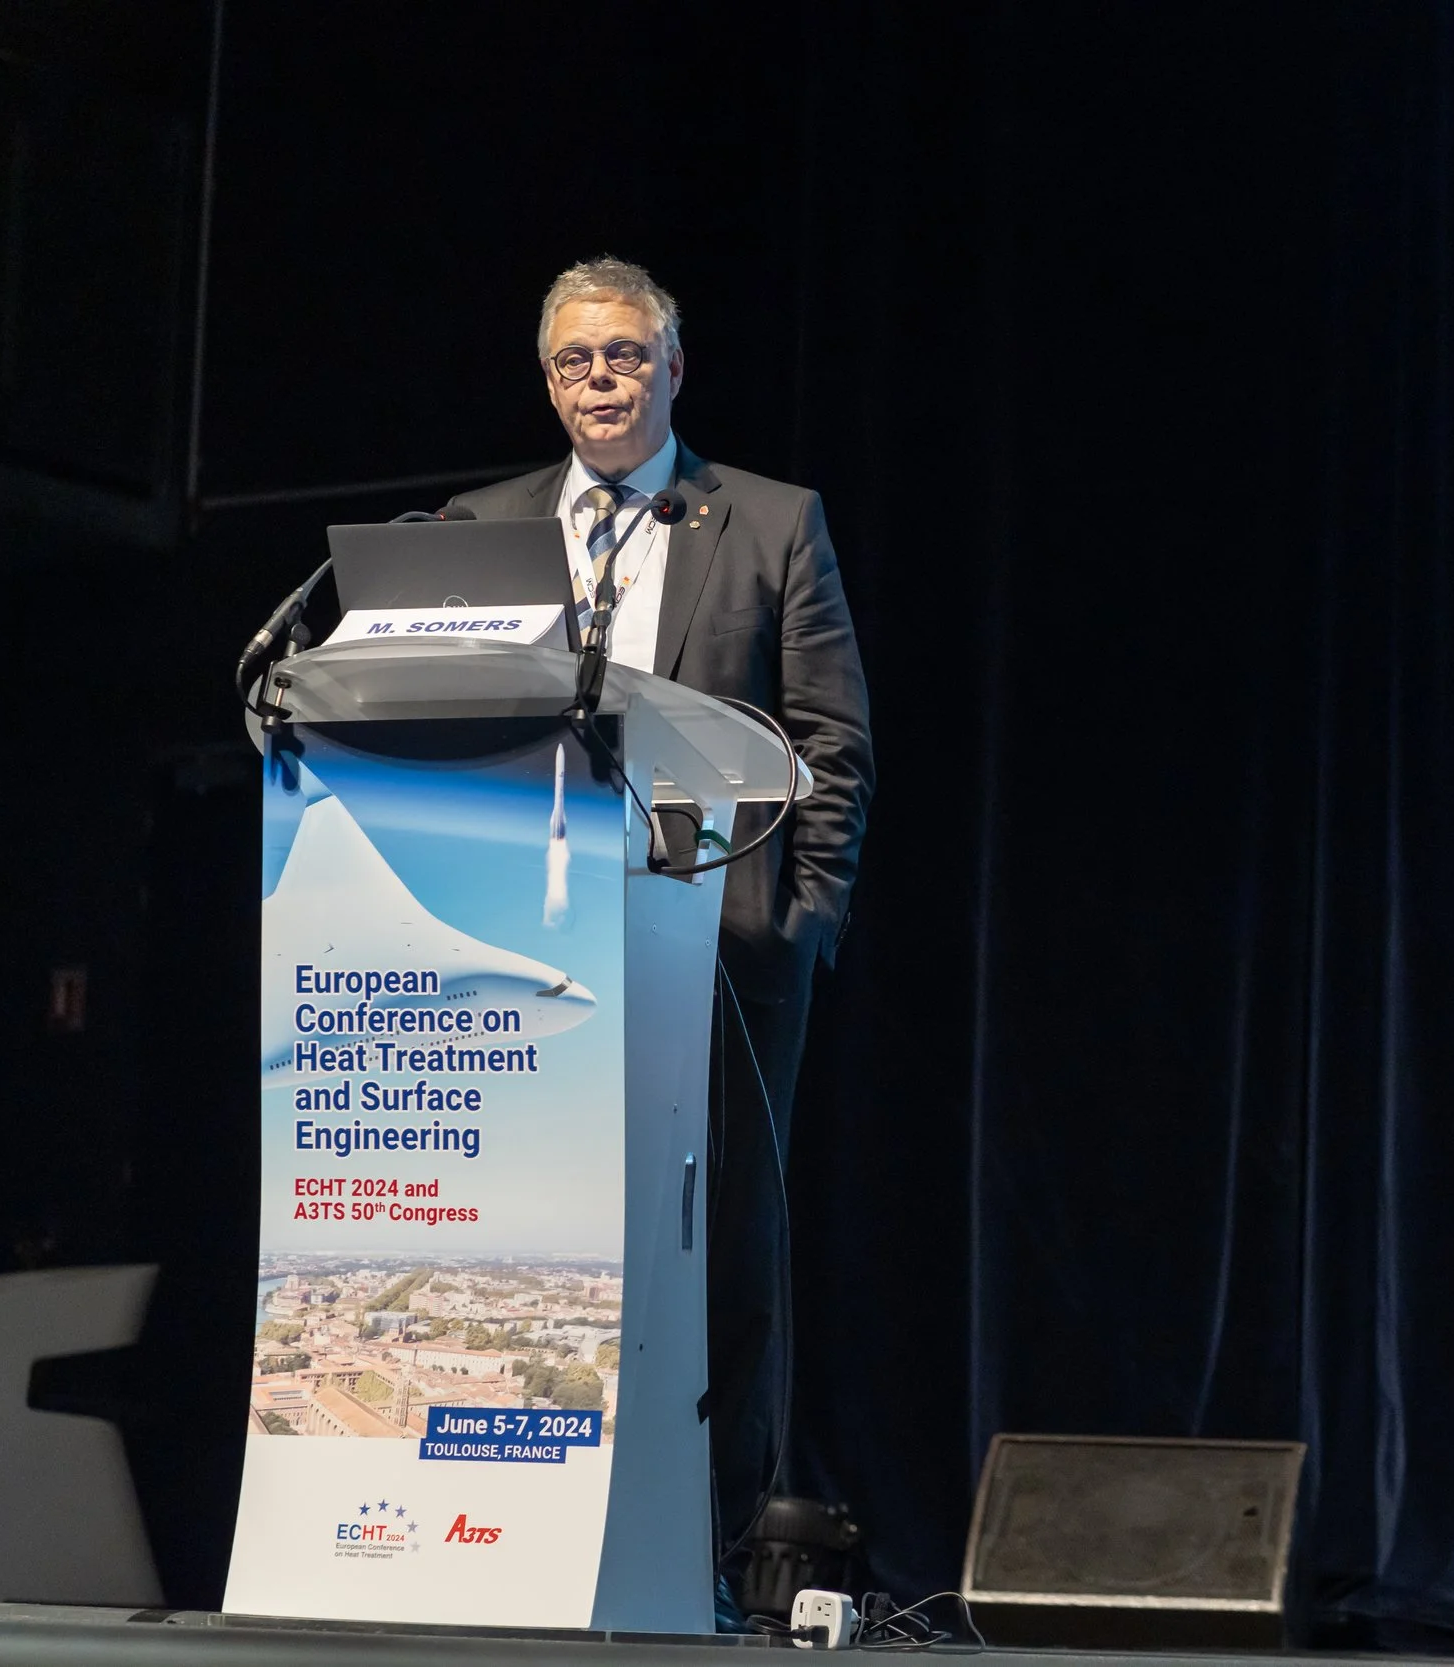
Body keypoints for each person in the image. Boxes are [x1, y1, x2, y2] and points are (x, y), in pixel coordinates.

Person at [445, 256, 873, 1561]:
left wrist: (799, 922)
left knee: (721, 1259)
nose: (601, 382)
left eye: (625, 355)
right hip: (528, 948)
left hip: (718, 952)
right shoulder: (480, 527)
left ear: (673, 368)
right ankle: (530, 1534)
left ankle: (714, 1554)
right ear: (548, 378)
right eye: (576, 361)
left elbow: (833, 745)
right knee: (534, 1249)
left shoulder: (765, 520)